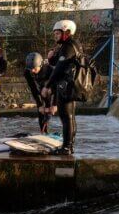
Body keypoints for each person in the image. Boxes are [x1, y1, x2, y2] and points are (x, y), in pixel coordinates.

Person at [41, 20, 81, 155]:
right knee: (70, 117)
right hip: (69, 86)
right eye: (55, 33)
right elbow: (56, 62)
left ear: (67, 32)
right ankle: (69, 145)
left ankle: (67, 147)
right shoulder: (68, 45)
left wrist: (48, 86)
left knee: (67, 117)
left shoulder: (68, 46)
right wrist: (51, 58)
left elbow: (59, 69)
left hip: (67, 86)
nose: (55, 36)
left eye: (58, 33)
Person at [23, 52, 56, 134]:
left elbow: (56, 87)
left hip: (55, 88)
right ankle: (43, 132)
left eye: (34, 68)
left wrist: (54, 104)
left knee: (49, 110)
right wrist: (40, 105)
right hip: (41, 88)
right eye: (30, 69)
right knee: (41, 110)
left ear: (40, 65)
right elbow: (33, 88)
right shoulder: (27, 72)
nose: (32, 71)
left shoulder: (50, 69)